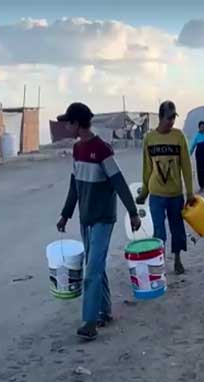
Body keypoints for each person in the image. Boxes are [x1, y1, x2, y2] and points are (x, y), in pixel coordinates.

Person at [57, 102, 141, 341]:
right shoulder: (77, 150)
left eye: (68, 122)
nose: (66, 127)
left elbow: (119, 182)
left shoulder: (102, 149)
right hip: (86, 218)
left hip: (103, 218)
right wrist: (66, 214)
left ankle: (90, 322)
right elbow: (74, 185)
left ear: (77, 123)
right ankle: (104, 311)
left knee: (91, 270)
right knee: (96, 266)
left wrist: (133, 213)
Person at [136, 101, 196, 275]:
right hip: (156, 194)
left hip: (175, 194)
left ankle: (177, 260)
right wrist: (144, 192)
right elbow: (147, 168)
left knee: (177, 229)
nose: (172, 121)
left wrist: (190, 192)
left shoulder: (178, 136)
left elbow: (186, 166)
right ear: (161, 117)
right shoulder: (149, 138)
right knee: (159, 231)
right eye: (169, 117)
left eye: (174, 117)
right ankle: (159, 262)